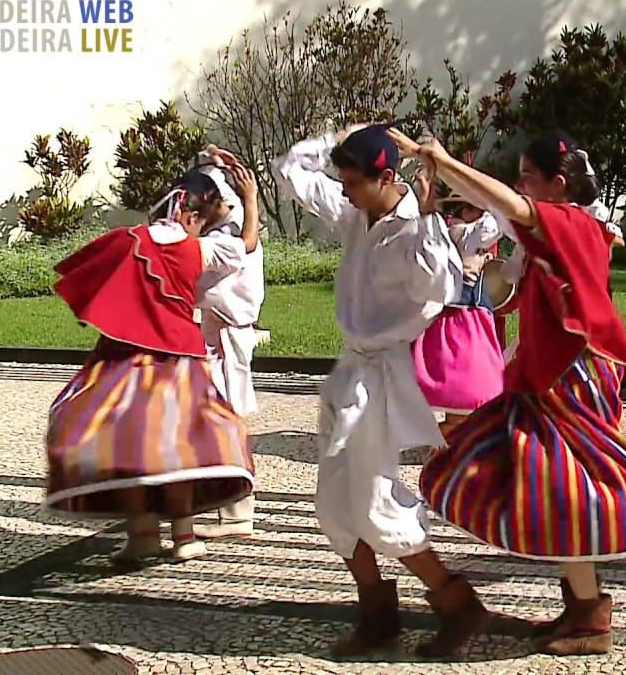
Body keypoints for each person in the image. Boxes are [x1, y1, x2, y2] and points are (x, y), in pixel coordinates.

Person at [396, 128, 626, 657]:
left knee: (565, 488)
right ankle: (583, 608)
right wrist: (445, 172)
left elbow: (507, 204)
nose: (521, 184)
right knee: (552, 485)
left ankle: (590, 619)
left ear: (558, 184)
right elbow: (501, 206)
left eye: (530, 177)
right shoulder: (562, 226)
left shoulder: (569, 222)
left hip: (568, 376)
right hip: (554, 374)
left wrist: (439, 158)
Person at [265, 124, 487, 659]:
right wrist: (343, 134)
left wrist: (432, 217)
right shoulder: (357, 214)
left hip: (383, 379)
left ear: (387, 177)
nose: (342, 190)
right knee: (334, 507)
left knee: (375, 502)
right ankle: (378, 613)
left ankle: (456, 604)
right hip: (350, 373)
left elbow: (442, 288)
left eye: (353, 181)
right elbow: (292, 168)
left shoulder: (416, 231)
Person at [45, 167, 260, 565]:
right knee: (176, 445)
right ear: (191, 216)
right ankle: (184, 537)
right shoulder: (199, 249)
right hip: (180, 359)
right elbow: (246, 244)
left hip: (124, 358)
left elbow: (88, 272)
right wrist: (250, 199)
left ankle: (143, 535)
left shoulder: (129, 239)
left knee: (130, 446)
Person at [190, 156, 267, 541]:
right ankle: (226, 502)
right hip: (225, 332)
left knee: (226, 421)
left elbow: (244, 245)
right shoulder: (232, 218)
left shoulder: (220, 239)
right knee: (220, 421)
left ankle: (237, 510)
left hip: (223, 335)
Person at [411, 182, 506, 435]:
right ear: (465, 212)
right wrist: (495, 202)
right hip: (463, 320)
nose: (480, 214)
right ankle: (447, 437)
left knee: (463, 386)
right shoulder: (466, 234)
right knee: (467, 381)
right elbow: (492, 226)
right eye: (475, 209)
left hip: (462, 316)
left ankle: (449, 434)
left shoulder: (450, 232)